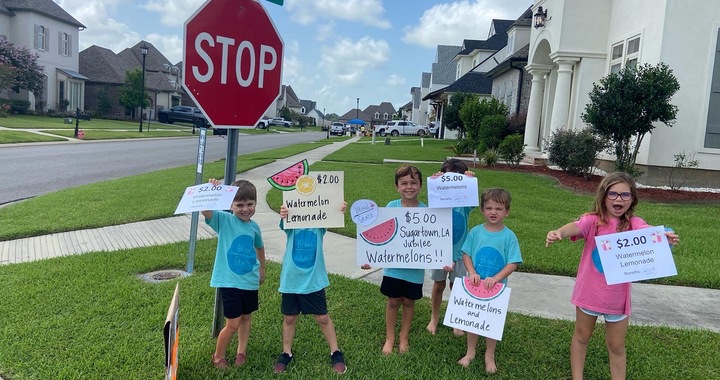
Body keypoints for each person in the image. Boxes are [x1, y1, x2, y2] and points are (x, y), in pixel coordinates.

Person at [545, 172, 680, 380]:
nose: (619, 199)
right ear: (603, 196)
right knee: (581, 337)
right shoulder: (592, 221)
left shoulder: (634, 224)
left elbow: (649, 232)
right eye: (613, 194)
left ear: (632, 199)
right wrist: (558, 233)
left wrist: (664, 238)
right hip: (589, 294)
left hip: (617, 300)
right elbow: (575, 226)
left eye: (625, 195)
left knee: (616, 346)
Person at [273, 202, 348, 375]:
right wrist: (284, 213)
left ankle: (335, 351)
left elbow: (332, 215)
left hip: (314, 280)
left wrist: (339, 208)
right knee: (289, 318)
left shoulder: (319, 225)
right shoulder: (290, 223)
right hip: (291, 280)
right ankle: (286, 353)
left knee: (322, 317)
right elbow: (284, 223)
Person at [362, 165, 426, 355]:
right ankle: (390, 337)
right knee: (392, 301)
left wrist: (443, 259)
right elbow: (379, 235)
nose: (409, 187)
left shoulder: (428, 211)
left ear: (421, 186)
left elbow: (435, 239)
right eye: (404, 183)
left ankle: (403, 337)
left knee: (408, 302)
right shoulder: (390, 207)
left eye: (413, 183)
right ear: (396, 187)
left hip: (415, 270)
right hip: (393, 268)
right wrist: (369, 257)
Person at [202, 179, 266, 369]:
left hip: (250, 280)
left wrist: (262, 269)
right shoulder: (224, 220)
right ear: (230, 205)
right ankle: (218, 356)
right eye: (239, 205)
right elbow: (205, 211)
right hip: (229, 281)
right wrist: (211, 190)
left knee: (246, 317)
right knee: (233, 323)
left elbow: (259, 247)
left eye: (250, 204)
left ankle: (241, 352)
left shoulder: (254, 227)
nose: (245, 209)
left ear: (255, 204)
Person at [459, 188, 522, 373]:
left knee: (490, 323)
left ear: (507, 211)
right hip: (475, 286)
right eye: (489, 208)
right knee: (473, 320)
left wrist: (496, 278)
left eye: (499, 208)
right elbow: (466, 254)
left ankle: (489, 355)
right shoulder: (475, 232)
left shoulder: (509, 236)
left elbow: (513, 262)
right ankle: (470, 352)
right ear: (482, 209)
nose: (493, 212)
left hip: (497, 289)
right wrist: (471, 272)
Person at [427, 158, 475, 336]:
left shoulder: (465, 203)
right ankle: (434, 317)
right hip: (439, 251)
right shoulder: (437, 199)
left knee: (457, 287)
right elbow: (431, 206)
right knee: (438, 285)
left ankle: (457, 319)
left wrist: (469, 182)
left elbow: (471, 199)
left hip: (460, 253)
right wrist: (435, 183)